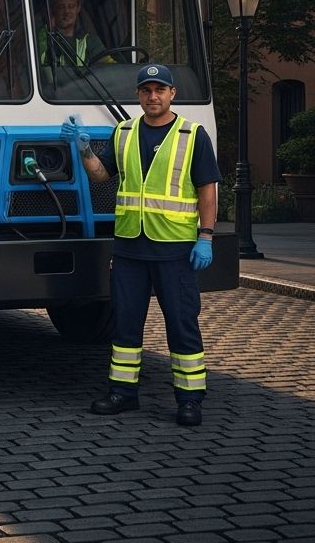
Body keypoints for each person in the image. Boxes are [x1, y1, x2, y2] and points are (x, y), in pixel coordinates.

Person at [61, 64, 221, 427]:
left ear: (172, 94)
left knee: (181, 323)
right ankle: (123, 393)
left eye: (160, 90)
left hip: (175, 249)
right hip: (131, 248)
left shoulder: (192, 135)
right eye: (147, 90)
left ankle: (190, 399)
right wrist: (84, 148)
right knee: (125, 325)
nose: (153, 96)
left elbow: (207, 190)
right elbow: (102, 175)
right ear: (138, 96)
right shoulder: (124, 132)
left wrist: (206, 237)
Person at [38, 0, 109, 66]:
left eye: (71, 6)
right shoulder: (43, 40)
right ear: (52, 10)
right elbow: (37, 65)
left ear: (78, 9)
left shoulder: (90, 41)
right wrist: (47, 30)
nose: (67, 11)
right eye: (61, 7)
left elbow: (109, 67)